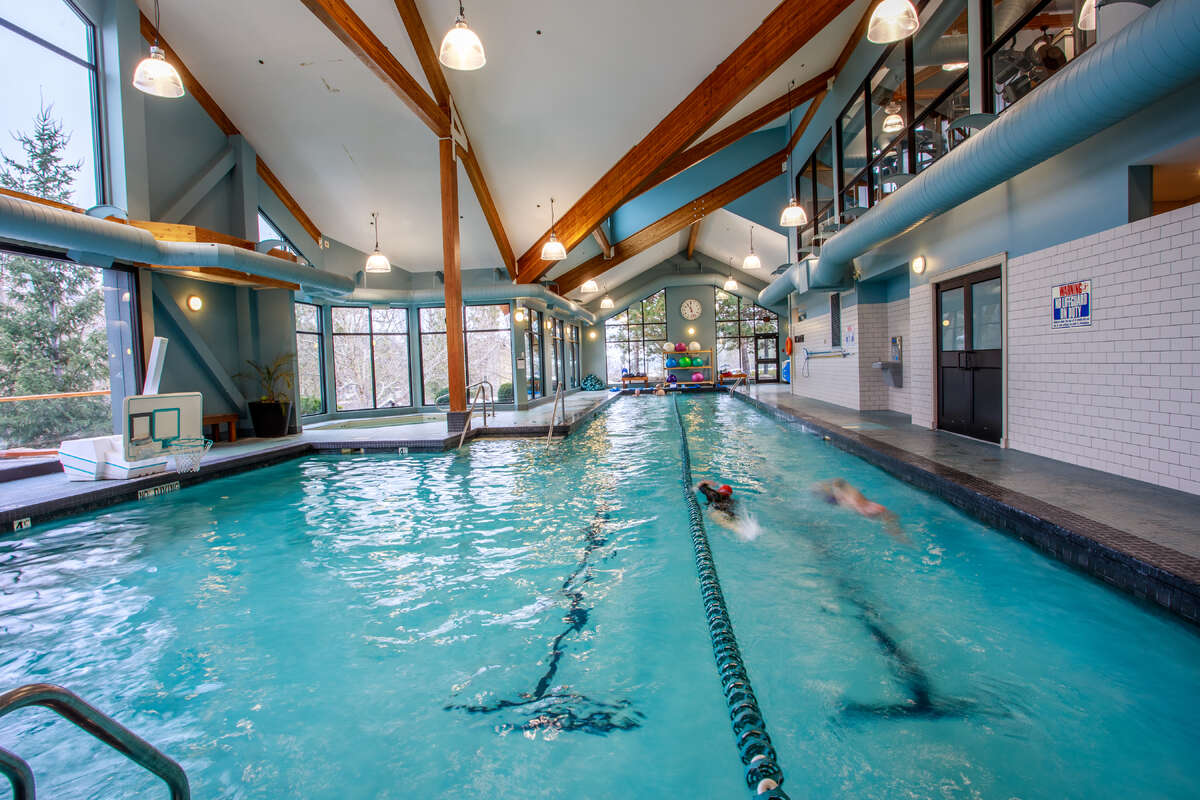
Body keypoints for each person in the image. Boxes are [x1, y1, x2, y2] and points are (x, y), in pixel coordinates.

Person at [814, 478, 905, 542]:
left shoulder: (853, 501)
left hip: (866, 508)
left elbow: (839, 482)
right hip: (867, 508)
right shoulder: (854, 502)